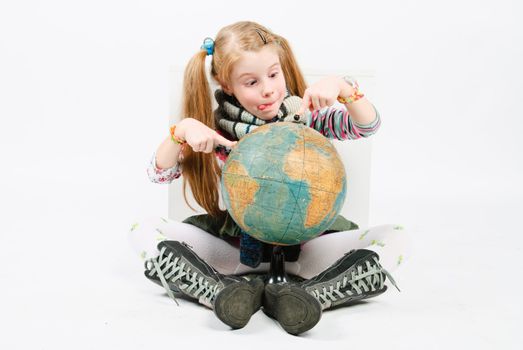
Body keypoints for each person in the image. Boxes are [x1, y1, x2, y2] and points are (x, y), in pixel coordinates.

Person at [128, 21, 411, 335]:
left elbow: (367, 126)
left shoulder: (306, 119)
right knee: (144, 230)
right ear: (226, 84)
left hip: (306, 253)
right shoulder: (217, 133)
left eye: (273, 74)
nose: (268, 89)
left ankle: (313, 296)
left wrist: (344, 88)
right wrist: (180, 133)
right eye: (251, 82)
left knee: (397, 237)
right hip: (235, 256)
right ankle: (217, 292)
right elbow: (158, 173)